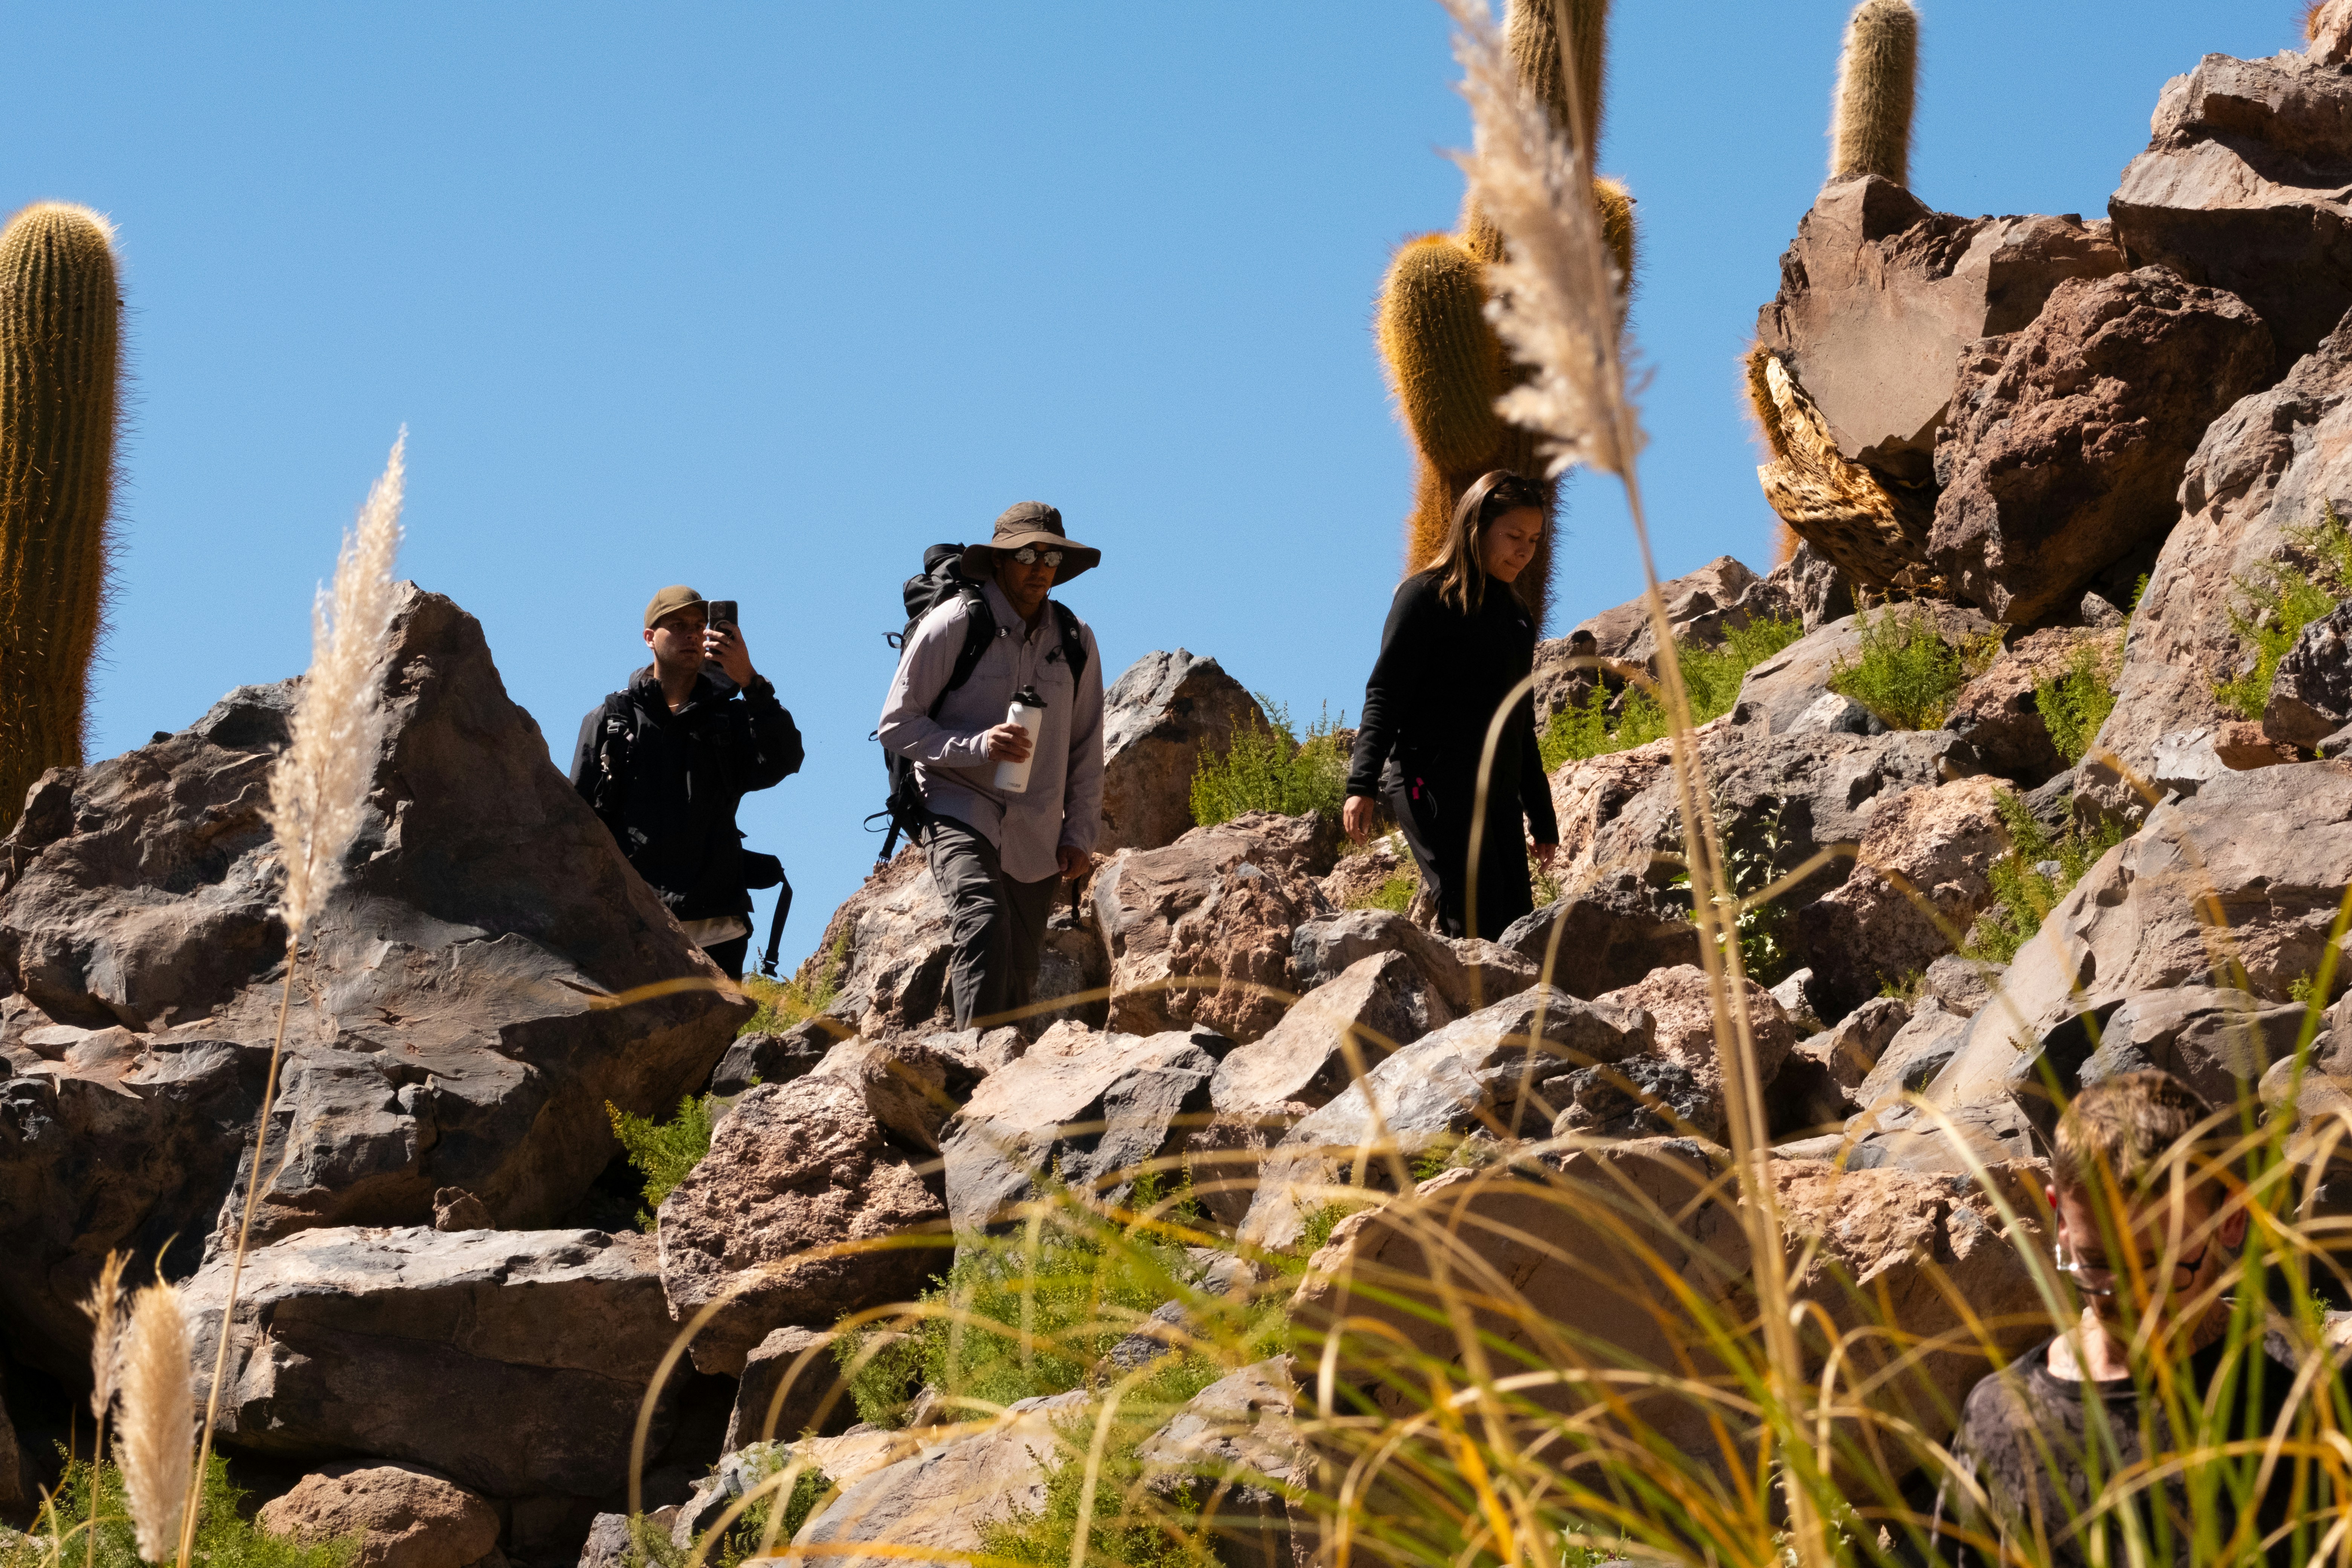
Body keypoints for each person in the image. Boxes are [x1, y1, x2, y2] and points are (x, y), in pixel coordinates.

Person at [1930, 1069, 2335, 1567]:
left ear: (2231, 1217)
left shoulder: (2314, 1391)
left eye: (2161, 1267)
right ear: (2060, 1220)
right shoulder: (2000, 1421)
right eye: (2098, 1263)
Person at [877, 502, 1105, 1029]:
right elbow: (896, 724)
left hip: (1038, 828)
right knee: (981, 920)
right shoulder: (957, 622)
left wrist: (1081, 834)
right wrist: (978, 747)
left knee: (1019, 971)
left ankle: (992, 1079)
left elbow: (1087, 746)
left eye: (1051, 556)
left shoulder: (1076, 639)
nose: (1040, 566)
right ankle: (971, 1069)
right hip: (957, 804)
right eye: (1026, 553)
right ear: (1000, 560)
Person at [1342, 470, 1560, 941]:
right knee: (1472, 917)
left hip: (1496, 790)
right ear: (1477, 527)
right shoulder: (1424, 598)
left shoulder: (1517, 618)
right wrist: (1362, 783)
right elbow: (1386, 693)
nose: (1525, 550)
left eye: (1535, 539)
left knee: (1516, 926)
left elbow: (1518, 723)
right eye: (1514, 536)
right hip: (1431, 782)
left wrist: (1541, 816)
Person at [571, 585, 804, 980]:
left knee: (715, 1042)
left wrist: (750, 681)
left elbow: (785, 760)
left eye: (699, 626)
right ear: (649, 638)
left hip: (717, 927)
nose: (692, 635)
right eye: (677, 626)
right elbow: (578, 822)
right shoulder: (612, 722)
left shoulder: (729, 719)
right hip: (634, 924)